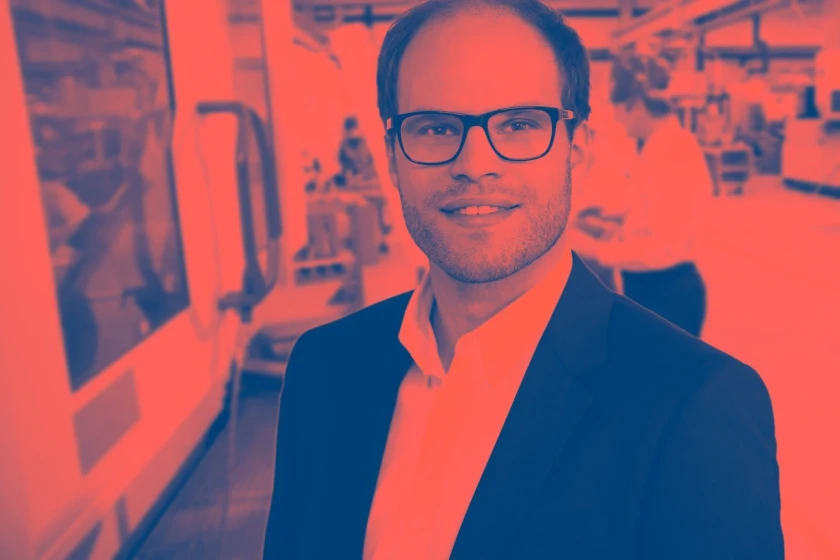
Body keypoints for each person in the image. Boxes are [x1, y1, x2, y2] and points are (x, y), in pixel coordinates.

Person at [263, 1, 783, 558]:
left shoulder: (696, 407)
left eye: (518, 125)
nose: (475, 164)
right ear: (393, 156)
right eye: (435, 128)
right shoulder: (323, 368)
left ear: (577, 147)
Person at [574, 52, 713, 338]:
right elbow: (653, 216)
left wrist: (595, 250)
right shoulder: (653, 149)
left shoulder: (673, 156)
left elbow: (664, 248)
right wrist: (614, 221)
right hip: (649, 288)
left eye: (619, 109)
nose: (617, 119)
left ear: (637, 106)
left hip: (668, 294)